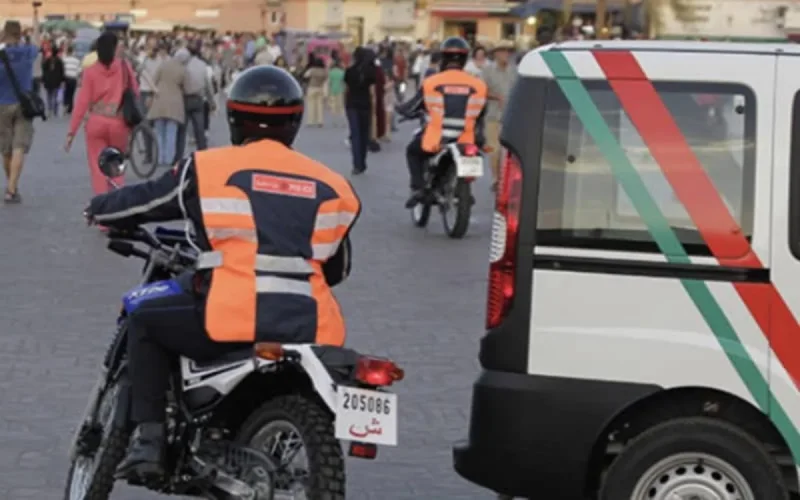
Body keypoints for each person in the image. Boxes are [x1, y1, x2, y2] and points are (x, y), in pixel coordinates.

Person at [83, 65, 362, 484]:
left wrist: (99, 208)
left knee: (144, 320)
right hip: (310, 323)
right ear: (296, 122)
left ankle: (150, 443)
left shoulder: (209, 167)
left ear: (234, 118)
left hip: (228, 315)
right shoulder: (333, 184)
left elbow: (143, 201)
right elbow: (337, 268)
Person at [396, 36, 487, 208]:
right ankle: (464, 191)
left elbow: (413, 105)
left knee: (412, 152)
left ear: (443, 58)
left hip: (437, 138)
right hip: (465, 138)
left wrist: (401, 110)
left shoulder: (432, 82)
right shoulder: (478, 84)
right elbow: (481, 112)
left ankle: (418, 188)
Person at [66, 31, 139, 198]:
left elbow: (82, 102)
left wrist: (72, 132)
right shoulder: (124, 67)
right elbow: (135, 91)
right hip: (118, 123)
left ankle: (102, 210)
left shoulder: (90, 72)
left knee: (97, 167)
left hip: (96, 123)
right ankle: (117, 204)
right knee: (116, 165)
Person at [0, 19, 38, 204]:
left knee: (6, 150)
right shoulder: (28, 52)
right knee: (18, 148)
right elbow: (36, 44)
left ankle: (11, 186)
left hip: (2, 105)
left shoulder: (0, 55)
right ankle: (12, 188)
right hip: (23, 106)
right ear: (20, 34)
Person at [481, 40, 516, 191]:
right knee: (493, 149)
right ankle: (496, 179)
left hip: (512, 116)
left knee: (510, 151)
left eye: (507, 52)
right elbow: (481, 90)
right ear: (495, 54)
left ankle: (508, 179)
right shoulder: (487, 70)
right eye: (502, 52)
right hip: (493, 115)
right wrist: (496, 97)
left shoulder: (515, 71)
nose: (505, 55)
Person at [344, 47, 376, 175]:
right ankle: (362, 162)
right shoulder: (370, 71)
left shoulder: (349, 71)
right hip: (365, 105)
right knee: (364, 134)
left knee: (355, 134)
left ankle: (356, 164)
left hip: (352, 105)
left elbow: (346, 90)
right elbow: (372, 92)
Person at [304, 55, 327, 127]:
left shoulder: (312, 70)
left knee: (311, 105)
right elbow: (326, 79)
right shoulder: (324, 71)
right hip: (320, 88)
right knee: (320, 106)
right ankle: (320, 121)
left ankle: (310, 121)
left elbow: (305, 75)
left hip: (312, 88)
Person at [42, 47, 64, 117]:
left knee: (49, 95)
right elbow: (62, 72)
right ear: (57, 53)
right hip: (57, 81)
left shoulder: (47, 60)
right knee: (57, 96)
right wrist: (62, 81)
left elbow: (44, 70)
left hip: (48, 81)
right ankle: (55, 110)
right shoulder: (60, 61)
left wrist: (44, 80)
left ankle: (49, 109)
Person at [62, 45, 80, 114]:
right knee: (72, 94)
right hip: (73, 79)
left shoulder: (64, 60)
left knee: (66, 93)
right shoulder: (77, 61)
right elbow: (79, 71)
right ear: (72, 52)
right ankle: (70, 107)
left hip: (66, 78)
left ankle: (66, 106)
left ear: (67, 52)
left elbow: (62, 70)